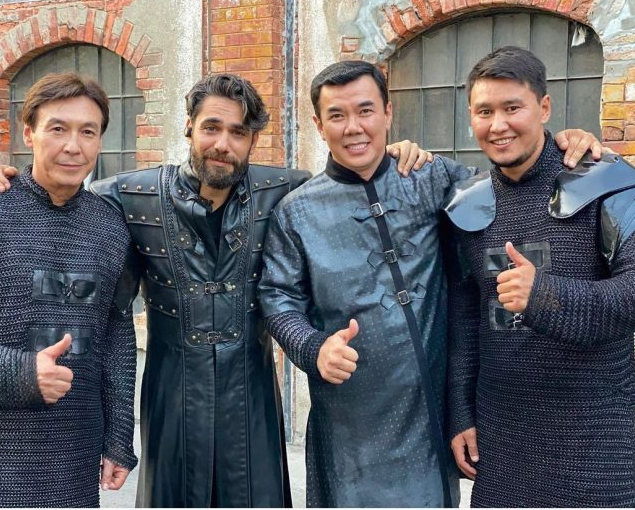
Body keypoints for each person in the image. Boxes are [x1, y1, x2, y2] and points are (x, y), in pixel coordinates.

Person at [0, 71, 598, 508]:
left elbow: (403, 175)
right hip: (169, 390)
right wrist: (5, 178)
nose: (223, 143)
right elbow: (66, 201)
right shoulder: (129, 196)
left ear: (255, 139)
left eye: (238, 131)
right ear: (188, 128)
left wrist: (567, 145)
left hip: (252, 389)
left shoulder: (290, 192)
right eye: (211, 127)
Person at [258, 60, 605, 507]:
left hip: (429, 416)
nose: (354, 128)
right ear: (318, 125)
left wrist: (567, 144)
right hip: (349, 418)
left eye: (366, 111)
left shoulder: (433, 178)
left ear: (388, 112)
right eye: (337, 116)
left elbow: (512, 177)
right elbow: (278, 297)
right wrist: (312, 347)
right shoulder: (296, 212)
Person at [443, 46, 635, 507]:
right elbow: (466, 319)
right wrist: (460, 413)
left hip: (592, 437)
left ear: (544, 107)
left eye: (513, 107)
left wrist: (545, 296)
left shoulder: (607, 181)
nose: (498, 125)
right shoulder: (466, 203)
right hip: (502, 435)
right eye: (484, 111)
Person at [0, 73, 138, 507]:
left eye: (88, 132)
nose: (73, 146)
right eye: (58, 128)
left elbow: (116, 335)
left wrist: (118, 437)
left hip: (75, 453)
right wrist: (21, 373)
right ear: (27, 132)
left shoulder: (112, 230)